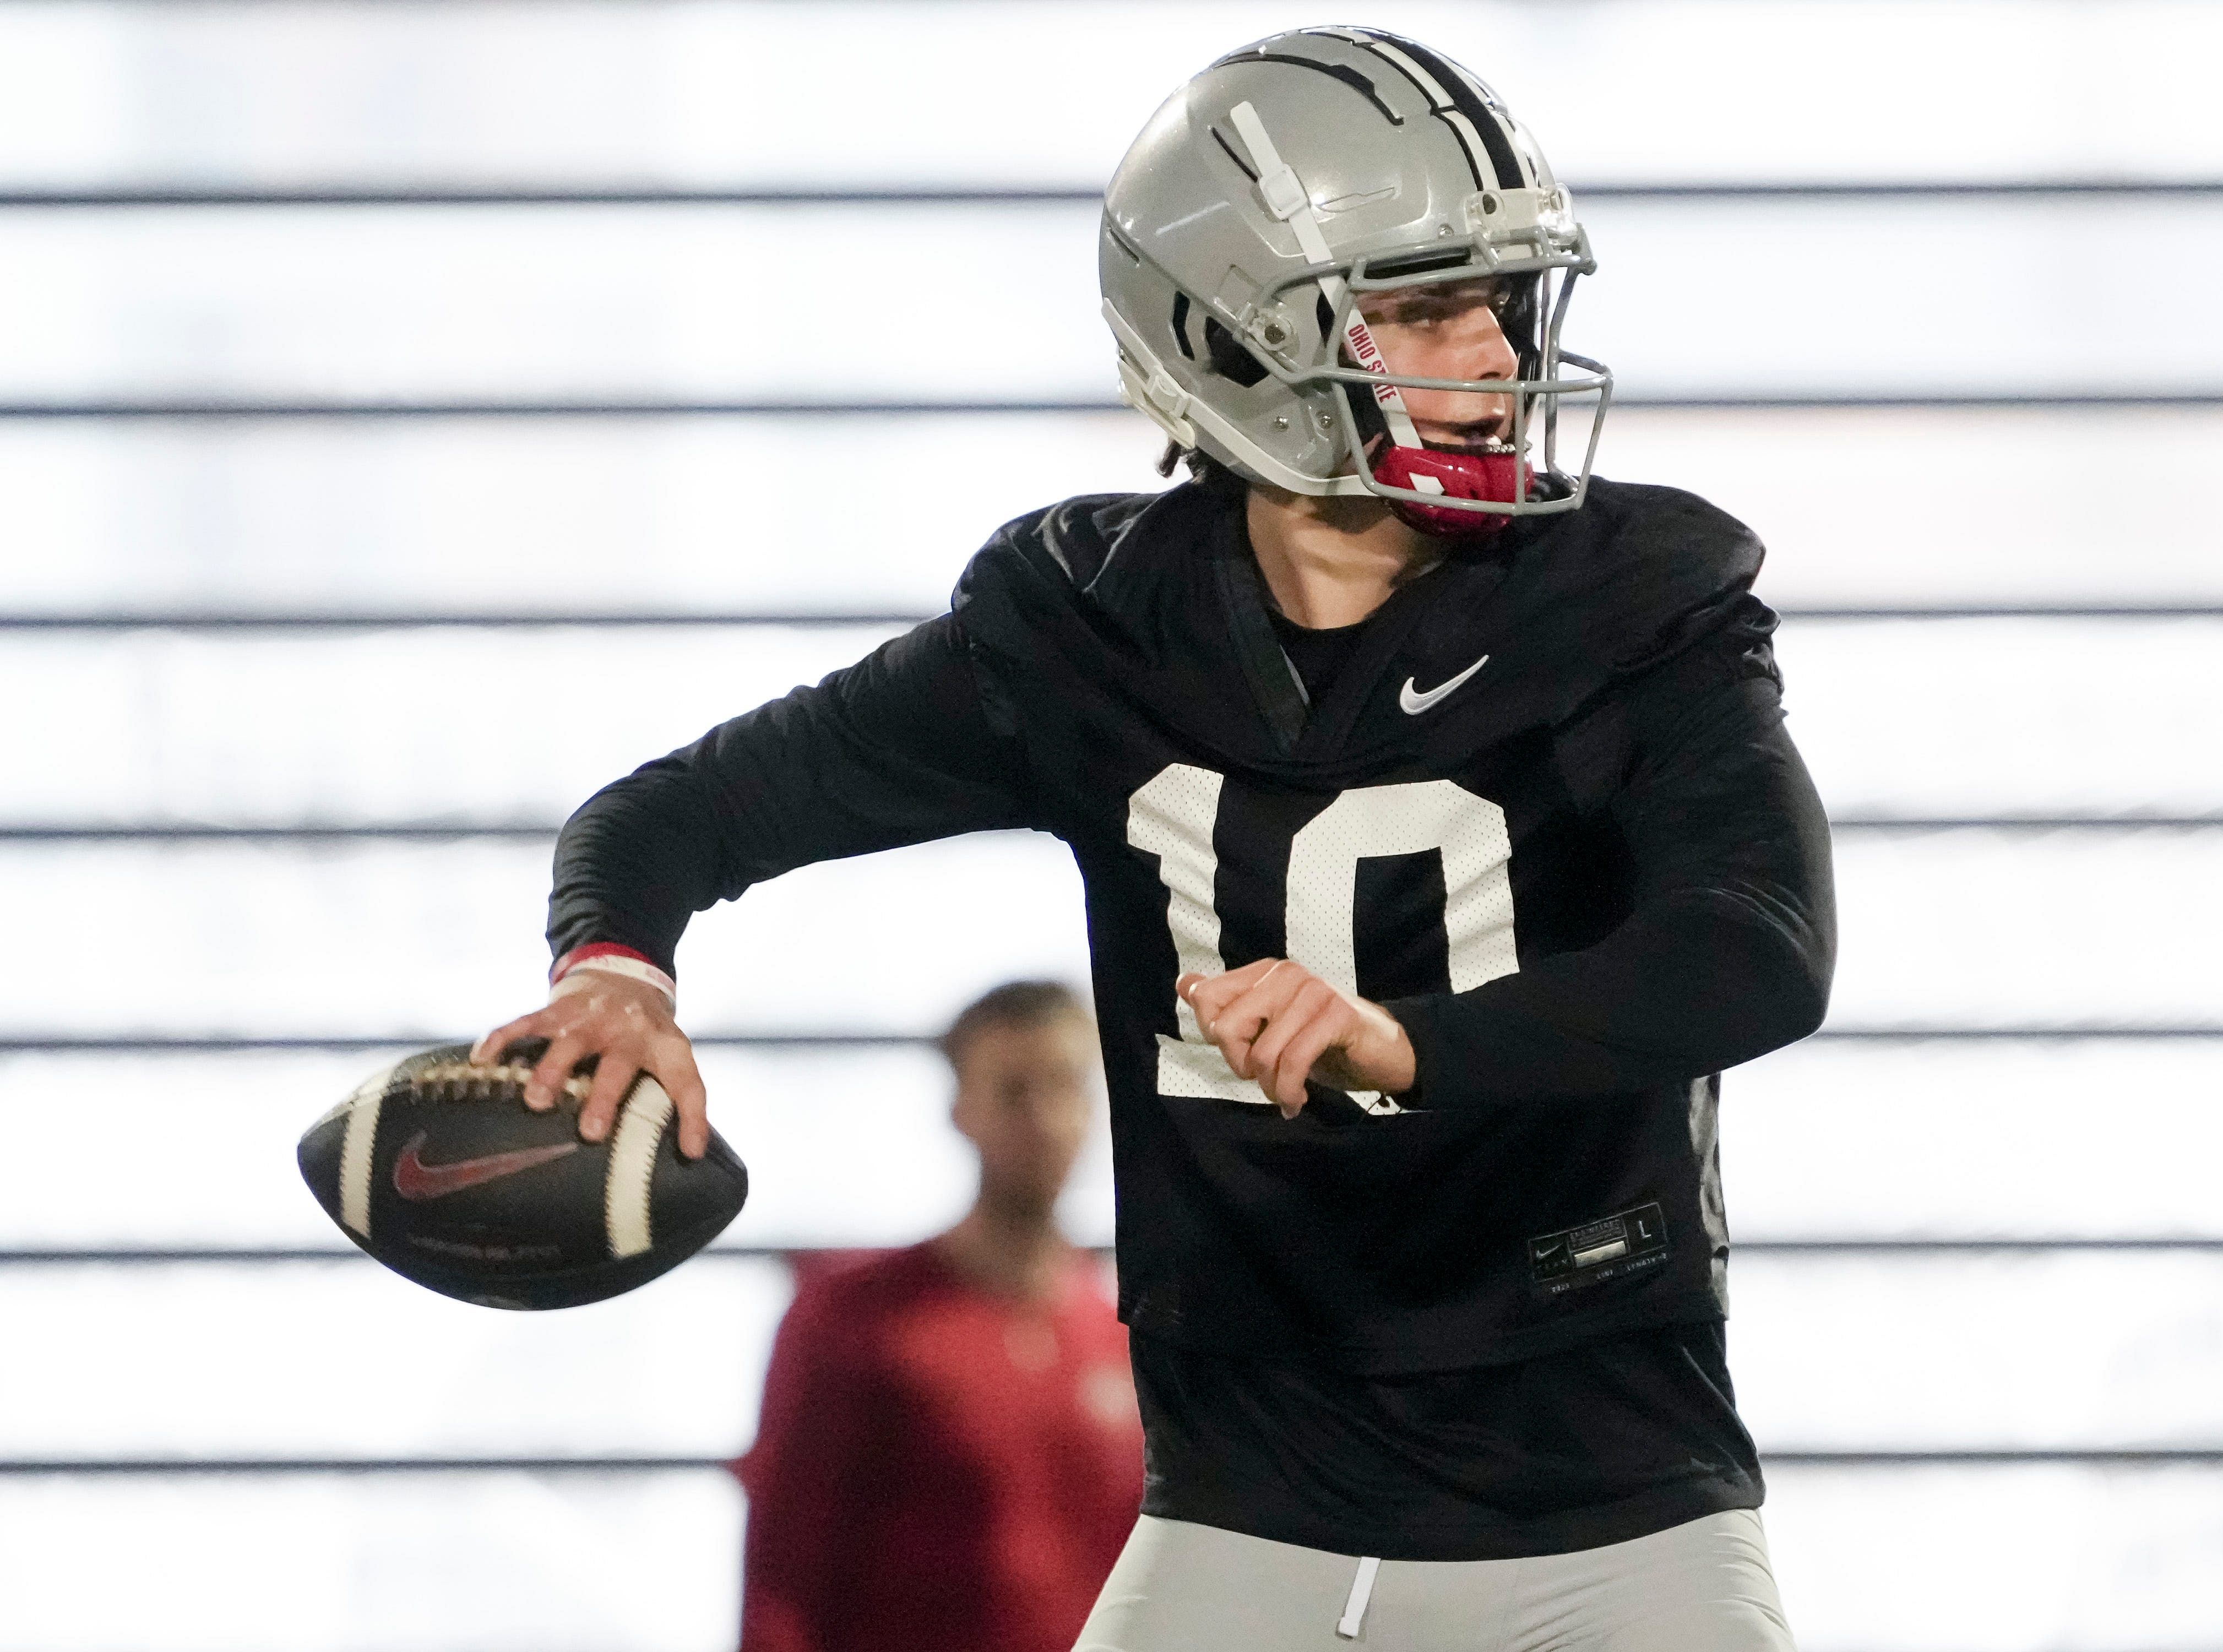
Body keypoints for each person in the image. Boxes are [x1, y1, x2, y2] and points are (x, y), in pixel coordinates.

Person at [477, 26, 1834, 1651]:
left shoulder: (1638, 599)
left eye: (1501, 299)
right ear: (1230, 333)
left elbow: (1757, 942)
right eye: (1417, 304)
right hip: (1240, 1513)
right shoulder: (1093, 627)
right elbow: (685, 810)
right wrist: (617, 967)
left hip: (1607, 1515)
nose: (1493, 351)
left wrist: (1405, 1041)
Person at [735, 980, 1143, 1652]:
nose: (1042, 1119)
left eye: (1065, 1086)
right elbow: (782, 1580)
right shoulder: (855, 1323)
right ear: (961, 1109)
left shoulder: (1131, 1338)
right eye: (1013, 1091)